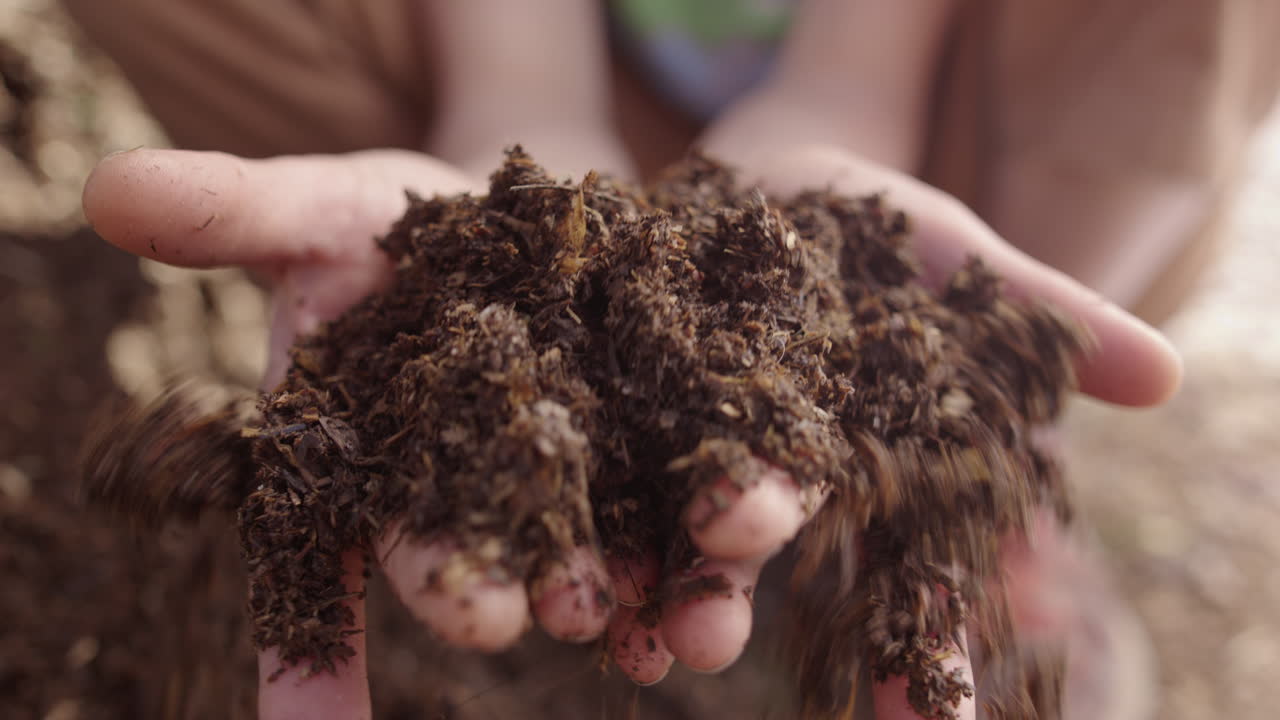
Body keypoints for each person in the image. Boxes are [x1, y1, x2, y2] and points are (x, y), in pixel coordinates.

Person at [59, 1, 1280, 719]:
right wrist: (516, 103)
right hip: (514, 62)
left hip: (965, 115)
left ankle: (969, 431)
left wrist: (844, 96)